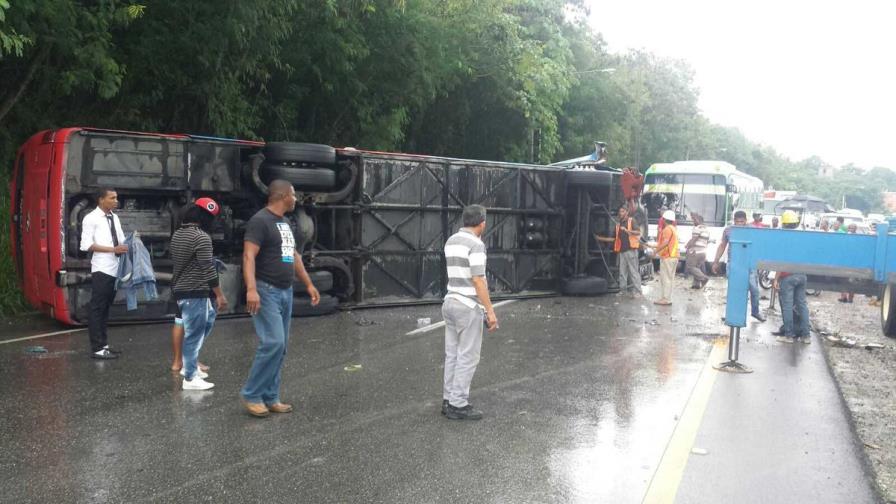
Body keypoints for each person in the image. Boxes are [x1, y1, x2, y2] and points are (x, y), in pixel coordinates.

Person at [241, 180, 320, 418]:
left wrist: (308, 284)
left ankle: (270, 396)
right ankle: (252, 394)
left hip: (285, 291)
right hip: (266, 290)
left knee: (281, 347)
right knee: (273, 342)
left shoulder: (285, 223)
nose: (296, 199)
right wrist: (251, 289)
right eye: (293, 195)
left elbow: (294, 255)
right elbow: (248, 256)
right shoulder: (260, 221)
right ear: (284, 195)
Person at [441, 204, 498, 420]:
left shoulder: (451, 240)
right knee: (468, 357)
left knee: (452, 355)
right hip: (467, 306)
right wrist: (490, 311)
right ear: (482, 222)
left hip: (450, 302)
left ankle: (448, 400)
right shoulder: (476, 244)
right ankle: (459, 404)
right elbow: (478, 280)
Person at [170, 198, 228, 390]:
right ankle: (190, 378)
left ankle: (190, 366)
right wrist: (219, 294)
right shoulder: (202, 237)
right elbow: (208, 269)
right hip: (195, 291)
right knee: (194, 335)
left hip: (182, 290)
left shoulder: (178, 234)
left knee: (205, 321)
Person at [79, 188, 128, 359]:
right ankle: (97, 348)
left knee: (106, 308)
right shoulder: (91, 218)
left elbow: (120, 239)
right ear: (101, 200)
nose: (116, 201)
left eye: (116, 197)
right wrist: (112, 249)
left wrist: (130, 242)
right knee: (97, 307)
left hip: (115, 267)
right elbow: (86, 245)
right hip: (102, 267)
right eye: (112, 198)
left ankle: (104, 345)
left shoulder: (114, 217)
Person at [712, 210, 766, 322]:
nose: (739, 224)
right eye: (737, 221)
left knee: (754, 290)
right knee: (734, 290)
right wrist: (716, 261)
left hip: (749, 264)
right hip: (734, 263)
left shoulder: (752, 230)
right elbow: (722, 245)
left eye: (742, 221)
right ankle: (731, 314)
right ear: (734, 221)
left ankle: (755, 312)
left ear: (746, 220)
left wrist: (760, 262)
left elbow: (759, 245)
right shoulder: (728, 230)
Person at [772, 210, 811, 344]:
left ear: (784, 223)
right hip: (802, 275)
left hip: (788, 277)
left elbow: (781, 262)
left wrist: (776, 279)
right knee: (802, 305)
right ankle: (806, 336)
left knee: (787, 306)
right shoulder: (803, 238)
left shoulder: (784, 240)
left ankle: (788, 335)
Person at [595, 205, 642, 297]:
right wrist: (600, 238)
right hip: (622, 251)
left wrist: (628, 230)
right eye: (620, 212)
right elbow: (614, 239)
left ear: (627, 212)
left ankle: (638, 292)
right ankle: (623, 291)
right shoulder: (618, 225)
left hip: (631, 251)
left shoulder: (631, 221)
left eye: (623, 211)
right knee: (622, 272)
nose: (621, 213)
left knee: (633, 272)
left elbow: (638, 232)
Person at [652, 210, 679, 306]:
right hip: (673, 256)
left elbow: (665, 243)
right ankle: (667, 298)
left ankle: (665, 299)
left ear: (664, 219)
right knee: (670, 278)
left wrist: (655, 251)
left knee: (665, 278)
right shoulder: (673, 228)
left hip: (668, 257)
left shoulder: (667, 229)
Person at [684, 212, 710, 289]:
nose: (693, 222)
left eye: (694, 220)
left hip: (696, 251)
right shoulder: (706, 229)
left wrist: (688, 247)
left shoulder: (697, 228)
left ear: (698, 220)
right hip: (703, 252)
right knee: (697, 267)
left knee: (690, 267)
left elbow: (693, 240)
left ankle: (703, 278)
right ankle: (696, 284)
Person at [839, 223, 859, 303]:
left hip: (853, 263)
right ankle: (843, 297)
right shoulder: (845, 237)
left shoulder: (858, 238)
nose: (850, 229)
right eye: (849, 228)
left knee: (852, 281)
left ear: (855, 229)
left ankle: (851, 298)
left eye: (852, 228)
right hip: (845, 262)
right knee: (843, 279)